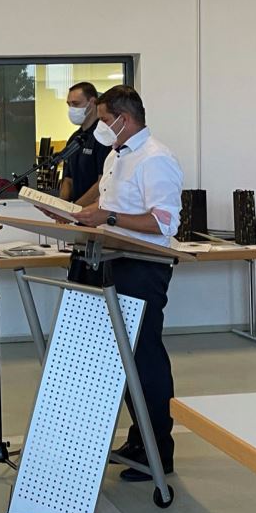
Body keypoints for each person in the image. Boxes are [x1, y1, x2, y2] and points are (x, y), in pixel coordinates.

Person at [35, 85, 183, 481]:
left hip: (143, 266)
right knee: (121, 359)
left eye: (103, 119)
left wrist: (108, 219)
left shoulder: (156, 159)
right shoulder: (117, 155)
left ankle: (159, 450)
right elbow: (106, 204)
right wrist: (72, 213)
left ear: (124, 118)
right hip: (109, 261)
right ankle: (139, 440)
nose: (99, 126)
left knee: (143, 357)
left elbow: (164, 222)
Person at [60, 81, 111, 208]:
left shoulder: (103, 137)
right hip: (76, 212)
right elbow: (68, 179)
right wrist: (61, 206)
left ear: (92, 102)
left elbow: (102, 183)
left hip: (96, 212)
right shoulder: (74, 139)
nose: (72, 109)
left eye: (76, 104)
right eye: (69, 104)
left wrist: (76, 208)